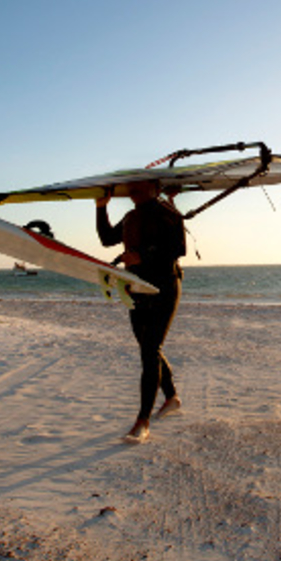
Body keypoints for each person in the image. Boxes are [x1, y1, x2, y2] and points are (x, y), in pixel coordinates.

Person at [96, 180, 186, 443]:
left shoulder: (169, 214)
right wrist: (101, 207)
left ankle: (142, 421)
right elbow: (106, 239)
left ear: (154, 189)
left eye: (139, 186)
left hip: (163, 287)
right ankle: (171, 398)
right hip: (135, 287)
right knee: (148, 347)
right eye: (131, 186)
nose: (133, 190)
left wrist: (143, 256)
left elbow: (178, 249)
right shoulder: (131, 216)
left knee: (150, 350)